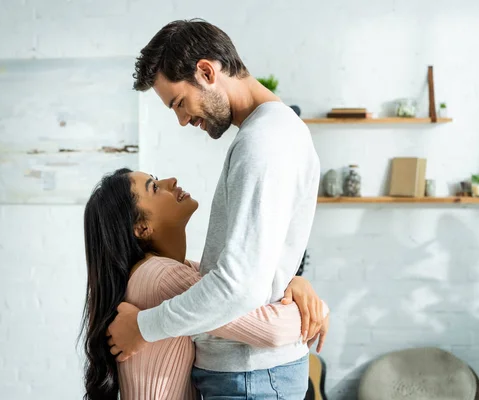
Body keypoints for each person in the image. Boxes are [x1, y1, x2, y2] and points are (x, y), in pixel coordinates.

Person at [107, 19, 323, 398]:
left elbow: (238, 286)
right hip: (252, 375)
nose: (182, 119)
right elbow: (254, 266)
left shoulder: (262, 143)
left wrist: (143, 327)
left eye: (179, 103)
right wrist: (290, 280)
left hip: (250, 377)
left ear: (206, 72)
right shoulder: (270, 134)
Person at [80, 169, 330, 399]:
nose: (171, 181)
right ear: (142, 228)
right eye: (154, 188)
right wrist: (320, 310)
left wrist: (296, 282)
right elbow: (274, 330)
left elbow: (248, 287)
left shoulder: (176, 270)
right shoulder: (161, 278)